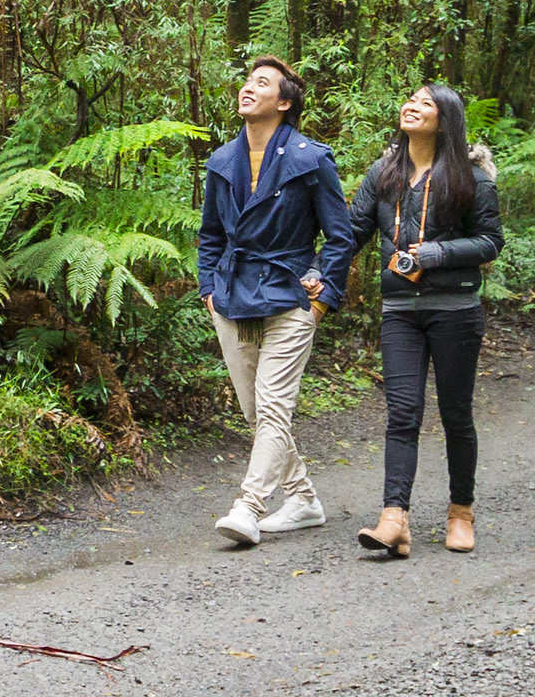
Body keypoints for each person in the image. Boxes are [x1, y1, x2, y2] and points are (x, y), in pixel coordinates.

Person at [321, 81, 501, 559]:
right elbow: (352, 231)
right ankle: (394, 519)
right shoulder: (384, 172)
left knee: (456, 414)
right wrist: (320, 270)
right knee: (402, 413)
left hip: (455, 311)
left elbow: (489, 242)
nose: (413, 106)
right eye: (411, 99)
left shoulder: (472, 178)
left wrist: (437, 253)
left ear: (445, 119)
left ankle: (461, 511)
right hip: (400, 311)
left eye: (426, 103)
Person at [195, 54, 345, 548]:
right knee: (254, 411)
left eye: (262, 83)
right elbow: (210, 235)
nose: (248, 88)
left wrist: (322, 293)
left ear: (283, 102)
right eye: (246, 81)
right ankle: (303, 498)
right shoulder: (221, 161)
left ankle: (249, 505)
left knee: (274, 406)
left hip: (288, 295)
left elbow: (339, 237)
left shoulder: (310, 158)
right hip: (233, 296)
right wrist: (209, 291)